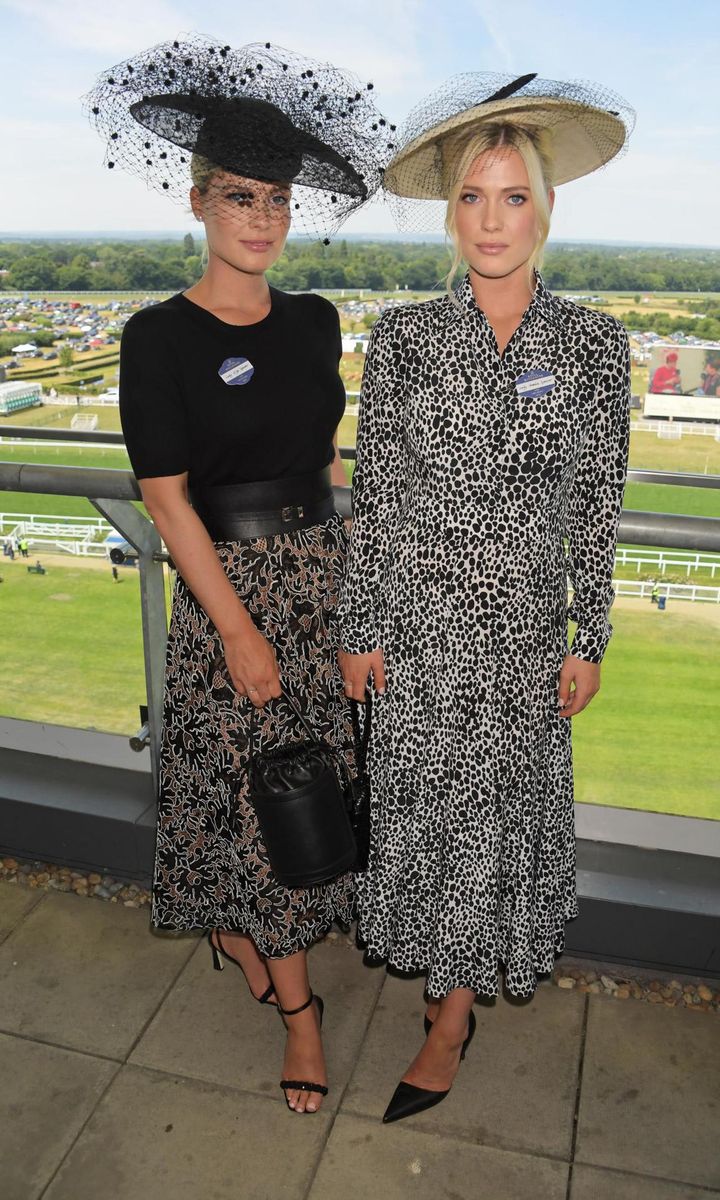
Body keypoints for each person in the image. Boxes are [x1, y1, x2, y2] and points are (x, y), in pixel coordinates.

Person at [88, 36, 392, 1115]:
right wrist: (238, 630)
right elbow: (167, 498)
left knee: (316, 786)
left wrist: (361, 595)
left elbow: (326, 461)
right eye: (238, 197)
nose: (260, 218)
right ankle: (300, 1018)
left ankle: (244, 928)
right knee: (270, 799)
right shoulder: (155, 336)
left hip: (327, 578)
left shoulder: (316, 320)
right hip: (234, 591)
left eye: (275, 200)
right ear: (198, 200)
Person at [339, 72, 633, 1123]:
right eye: (472, 197)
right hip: (416, 637)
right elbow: (374, 495)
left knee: (491, 827)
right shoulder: (405, 338)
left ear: (543, 211)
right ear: (449, 213)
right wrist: (359, 625)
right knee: (428, 822)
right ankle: (445, 990)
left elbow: (597, 504)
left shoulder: (594, 345)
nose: (491, 220)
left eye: (513, 197)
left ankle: (451, 1016)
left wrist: (589, 636)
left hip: (519, 645)